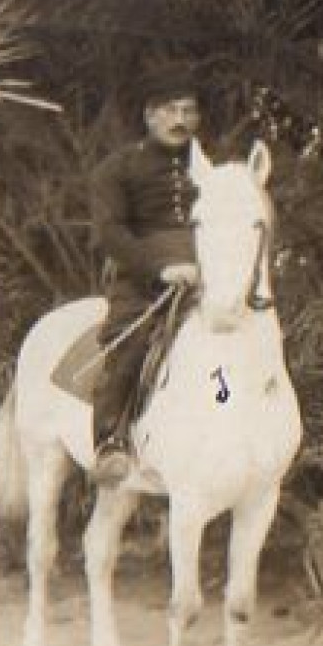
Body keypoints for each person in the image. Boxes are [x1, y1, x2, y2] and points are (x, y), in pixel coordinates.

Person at [87, 61, 207, 487]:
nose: (180, 121)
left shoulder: (208, 169)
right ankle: (111, 440)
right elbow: (111, 234)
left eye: (188, 111)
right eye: (170, 110)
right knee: (131, 344)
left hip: (208, 280)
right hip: (141, 282)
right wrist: (161, 269)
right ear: (149, 115)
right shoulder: (117, 169)